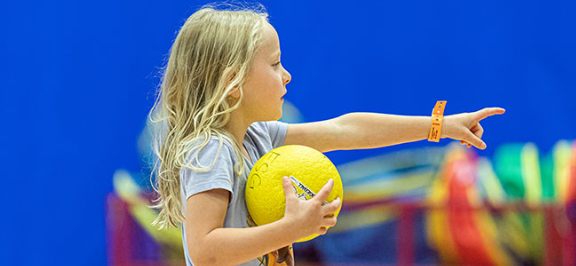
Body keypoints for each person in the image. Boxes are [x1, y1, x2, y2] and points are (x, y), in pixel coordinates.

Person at [148, 3, 505, 266]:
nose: (286, 75)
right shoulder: (211, 148)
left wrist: (438, 125)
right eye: (274, 65)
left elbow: (344, 129)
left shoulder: (257, 138)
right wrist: (289, 229)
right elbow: (205, 251)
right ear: (232, 83)